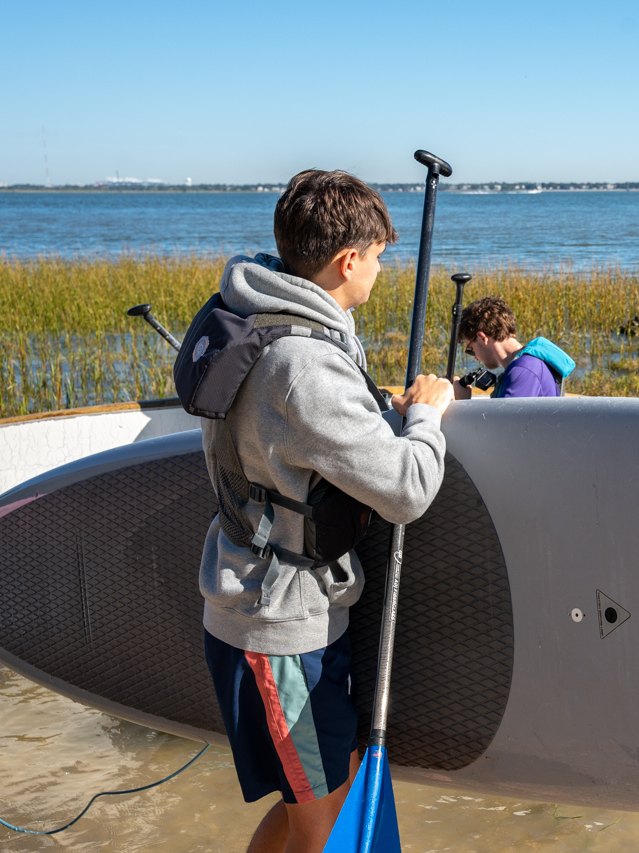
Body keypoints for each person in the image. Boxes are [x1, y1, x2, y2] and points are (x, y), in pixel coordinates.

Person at [198, 170, 454, 853]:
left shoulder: (250, 314)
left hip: (259, 609)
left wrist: (373, 408)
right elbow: (406, 487)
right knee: (326, 830)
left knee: (298, 813)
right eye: (376, 258)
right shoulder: (304, 366)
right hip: (281, 635)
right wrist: (426, 414)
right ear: (348, 261)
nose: (377, 271)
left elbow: (294, 437)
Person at [451, 295, 575, 399]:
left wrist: (462, 402)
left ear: (483, 338)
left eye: (471, 349)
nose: (475, 358)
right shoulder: (525, 365)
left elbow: (503, 427)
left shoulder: (525, 370)